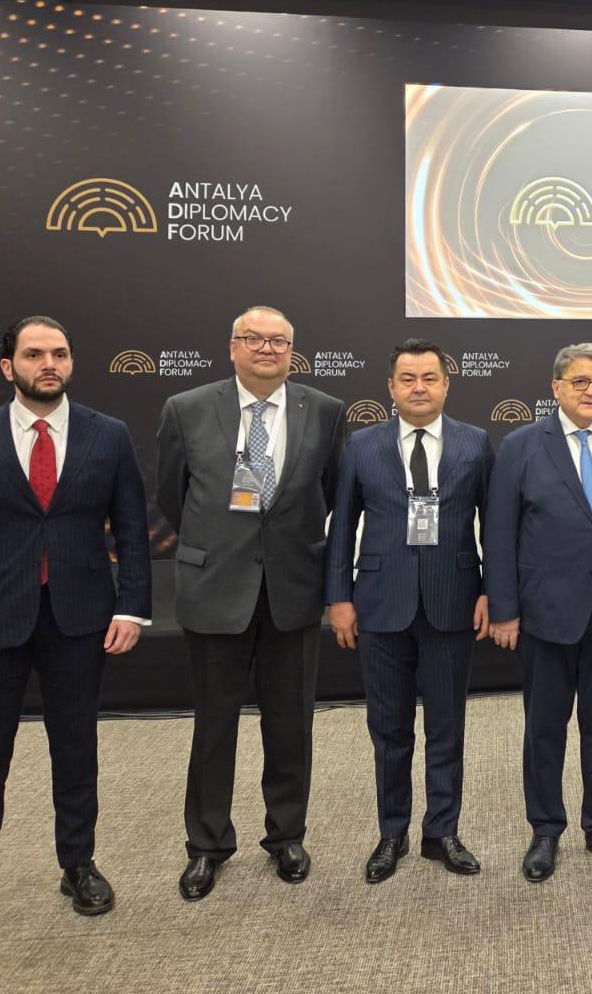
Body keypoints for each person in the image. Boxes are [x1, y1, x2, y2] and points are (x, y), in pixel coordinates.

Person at [0, 316, 150, 947]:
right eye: (34, 354)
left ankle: (78, 865)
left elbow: (133, 531)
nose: (49, 364)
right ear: (8, 367)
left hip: (80, 619)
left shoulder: (109, 435)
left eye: (60, 354)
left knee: (75, 750)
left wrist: (132, 607)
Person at [155, 305, 346, 899]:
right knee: (214, 725)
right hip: (216, 588)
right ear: (232, 347)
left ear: (292, 350)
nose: (267, 348)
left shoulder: (325, 411)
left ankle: (286, 835)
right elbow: (172, 495)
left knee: (291, 724)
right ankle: (207, 845)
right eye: (254, 339)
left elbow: (332, 494)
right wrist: (219, 544)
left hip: (293, 589)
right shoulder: (186, 408)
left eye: (279, 341)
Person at [484, 343, 592, 882]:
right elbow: (499, 532)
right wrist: (504, 610)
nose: (591, 391)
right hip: (546, 613)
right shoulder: (521, 445)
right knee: (545, 727)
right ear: (555, 388)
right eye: (579, 381)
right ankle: (545, 830)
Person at [325, 339, 494, 882]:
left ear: (446, 384)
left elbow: (495, 525)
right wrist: (339, 597)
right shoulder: (362, 445)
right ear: (391, 387)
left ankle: (442, 831)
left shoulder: (475, 442)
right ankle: (391, 833)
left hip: (453, 602)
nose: (419, 388)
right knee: (389, 729)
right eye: (408, 379)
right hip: (379, 605)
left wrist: (492, 591)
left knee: (447, 727)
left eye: (429, 378)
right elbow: (341, 527)